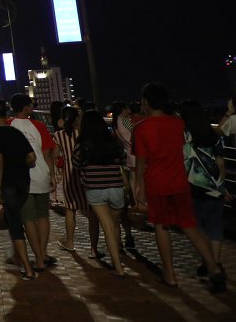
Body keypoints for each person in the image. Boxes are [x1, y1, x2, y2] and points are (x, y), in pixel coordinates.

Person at [133, 82, 225, 292]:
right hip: (180, 182)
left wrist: (138, 184)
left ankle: (170, 275)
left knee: (161, 226)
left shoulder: (142, 128)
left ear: (146, 102)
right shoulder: (177, 123)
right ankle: (214, 268)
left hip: (156, 183)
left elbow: (140, 161)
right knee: (189, 226)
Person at [0, 99, 38, 280]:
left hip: (8, 185)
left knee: (15, 226)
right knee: (20, 221)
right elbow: (31, 157)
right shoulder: (15, 132)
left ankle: (27, 268)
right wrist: (20, 165)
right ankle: (24, 258)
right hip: (24, 183)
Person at [178, 99, 230, 279]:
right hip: (214, 187)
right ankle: (215, 262)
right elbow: (220, 163)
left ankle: (206, 261)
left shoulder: (184, 134)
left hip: (191, 187)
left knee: (198, 226)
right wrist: (221, 185)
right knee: (215, 226)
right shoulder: (213, 134)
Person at [72, 110, 127, 276]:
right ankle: (118, 252)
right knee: (115, 224)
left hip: (95, 188)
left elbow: (76, 165)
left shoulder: (82, 145)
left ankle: (118, 267)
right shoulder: (113, 142)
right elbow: (122, 160)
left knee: (107, 227)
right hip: (116, 187)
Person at [9, 93, 58, 272]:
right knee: (43, 215)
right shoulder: (39, 125)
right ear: (26, 108)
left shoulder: (9, 126)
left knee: (28, 219)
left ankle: (38, 258)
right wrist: (52, 175)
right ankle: (43, 253)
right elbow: (47, 153)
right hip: (41, 175)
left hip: (20, 179)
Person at [53, 106, 100, 257]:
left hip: (69, 175)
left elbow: (55, 156)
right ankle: (93, 249)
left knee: (70, 209)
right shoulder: (85, 133)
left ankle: (70, 242)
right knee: (92, 211)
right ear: (77, 118)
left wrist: (57, 172)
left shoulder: (59, 135)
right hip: (86, 174)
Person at [109, 100, 138, 248]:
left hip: (127, 156)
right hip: (135, 154)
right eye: (127, 108)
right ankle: (137, 201)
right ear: (123, 109)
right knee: (135, 179)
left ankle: (120, 242)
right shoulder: (126, 121)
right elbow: (137, 132)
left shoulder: (115, 123)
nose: (130, 111)